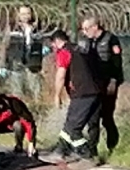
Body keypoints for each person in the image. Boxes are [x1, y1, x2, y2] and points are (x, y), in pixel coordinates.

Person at [46, 29, 102, 162]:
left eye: (52, 45)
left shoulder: (64, 52)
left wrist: (57, 95)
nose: (52, 48)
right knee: (69, 124)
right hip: (94, 92)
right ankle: (61, 150)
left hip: (82, 94)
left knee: (74, 129)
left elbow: (61, 75)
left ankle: (87, 154)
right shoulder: (79, 49)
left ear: (57, 41)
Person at [79, 15, 123, 157]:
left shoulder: (111, 39)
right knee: (93, 118)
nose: (84, 32)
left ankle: (113, 146)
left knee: (107, 117)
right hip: (93, 85)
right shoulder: (87, 42)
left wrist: (114, 81)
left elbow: (117, 62)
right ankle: (92, 150)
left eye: (86, 29)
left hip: (108, 83)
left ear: (95, 27)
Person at [0, 5, 47, 102]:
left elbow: (45, 40)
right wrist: (2, 65)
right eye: (23, 14)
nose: (26, 16)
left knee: (36, 89)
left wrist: (46, 48)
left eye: (28, 13)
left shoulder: (37, 27)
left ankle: (37, 109)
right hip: (16, 61)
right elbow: (4, 46)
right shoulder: (13, 28)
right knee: (17, 91)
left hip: (33, 62)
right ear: (18, 15)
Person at [0, 92, 37, 160]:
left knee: (18, 125)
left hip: (12, 124)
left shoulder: (14, 103)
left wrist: (31, 142)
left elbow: (29, 122)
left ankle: (19, 147)